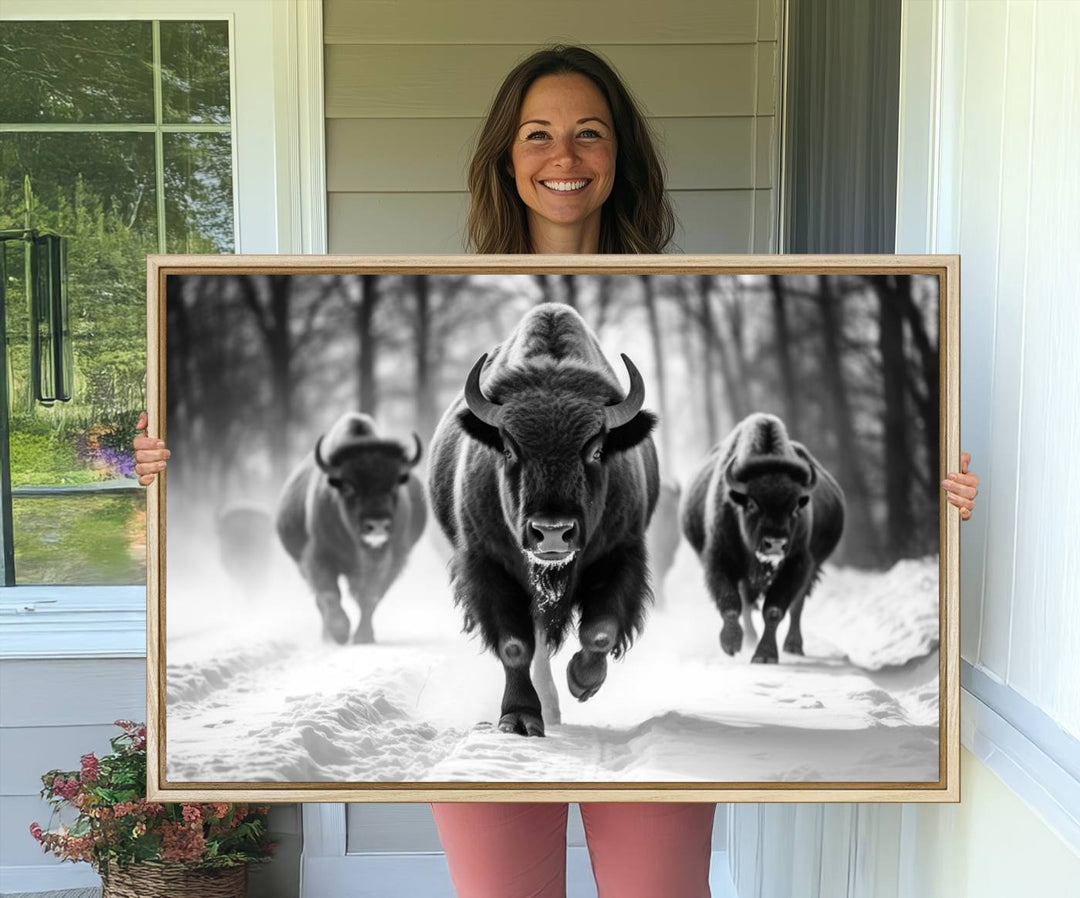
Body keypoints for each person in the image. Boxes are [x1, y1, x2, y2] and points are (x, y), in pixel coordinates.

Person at [134, 45, 980, 898]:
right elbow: (472, 548)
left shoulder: (671, 343)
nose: (564, 157)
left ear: (621, 157)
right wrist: (163, 463)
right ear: (506, 158)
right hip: (498, 650)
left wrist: (951, 500)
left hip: (607, 595)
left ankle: (595, 638)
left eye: (589, 134)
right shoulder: (462, 378)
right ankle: (519, 657)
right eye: (537, 134)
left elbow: (629, 544)